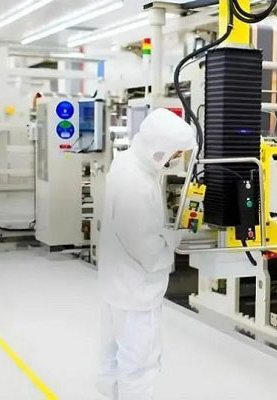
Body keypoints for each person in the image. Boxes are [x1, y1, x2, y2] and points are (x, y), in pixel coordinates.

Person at [96, 108, 195, 400]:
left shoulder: (127, 163)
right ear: (159, 149)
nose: (175, 159)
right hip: (136, 291)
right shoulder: (137, 185)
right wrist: (175, 240)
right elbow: (145, 248)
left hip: (115, 285)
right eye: (174, 153)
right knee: (139, 366)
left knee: (112, 358)